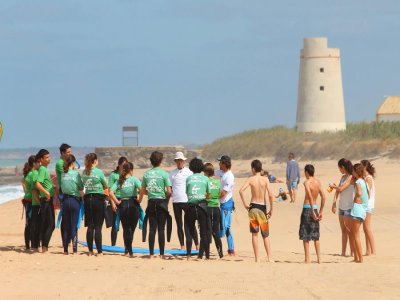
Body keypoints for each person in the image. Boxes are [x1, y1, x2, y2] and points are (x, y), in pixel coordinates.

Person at [239, 160, 274, 262]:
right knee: (265, 234)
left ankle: (257, 258)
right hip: (262, 208)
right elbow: (271, 195)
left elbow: (241, 191)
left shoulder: (251, 179)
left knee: (254, 234)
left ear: (253, 169)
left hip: (253, 207)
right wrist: (271, 209)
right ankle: (270, 257)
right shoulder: (265, 179)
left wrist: (245, 204)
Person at [139, 151, 172, 259]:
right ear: (160, 161)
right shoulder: (164, 174)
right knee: (161, 229)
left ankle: (152, 254)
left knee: (152, 229)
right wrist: (164, 194)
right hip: (162, 202)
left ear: (151, 161)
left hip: (151, 202)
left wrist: (152, 192)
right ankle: (162, 254)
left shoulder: (146, 174)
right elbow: (168, 191)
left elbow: (142, 191)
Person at [109, 162, 141, 257]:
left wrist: (117, 202)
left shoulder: (120, 180)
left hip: (123, 205)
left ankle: (127, 250)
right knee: (132, 229)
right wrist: (140, 199)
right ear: (131, 170)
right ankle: (129, 250)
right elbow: (142, 190)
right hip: (133, 204)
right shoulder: (134, 179)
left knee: (126, 229)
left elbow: (110, 192)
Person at [169, 152, 199, 250]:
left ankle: (197, 244)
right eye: (178, 161)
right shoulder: (172, 173)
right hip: (176, 202)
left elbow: (193, 184)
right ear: (175, 161)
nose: (179, 162)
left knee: (191, 223)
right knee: (179, 225)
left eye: (181, 160)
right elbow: (169, 188)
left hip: (187, 201)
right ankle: (182, 245)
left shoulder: (189, 172)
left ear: (184, 161)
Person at [82, 153, 108, 256]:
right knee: (98, 227)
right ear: (95, 161)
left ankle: (90, 251)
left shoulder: (84, 172)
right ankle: (100, 251)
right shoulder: (99, 172)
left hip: (88, 199)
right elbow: (105, 185)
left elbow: (83, 185)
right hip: (98, 199)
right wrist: (106, 198)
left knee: (90, 226)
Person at [184, 158, 210, 260]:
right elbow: (208, 194)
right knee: (204, 232)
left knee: (189, 230)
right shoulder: (205, 179)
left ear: (191, 168)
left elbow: (187, 192)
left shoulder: (188, 178)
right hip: (202, 206)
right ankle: (206, 256)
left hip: (190, 206)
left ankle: (189, 255)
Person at [299, 164, 325, 263]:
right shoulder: (318, 182)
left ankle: (307, 258)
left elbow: (309, 196)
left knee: (305, 235)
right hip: (315, 208)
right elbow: (324, 197)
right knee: (315, 235)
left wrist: (312, 213)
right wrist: (320, 211)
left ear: (306, 172)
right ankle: (319, 259)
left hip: (307, 209)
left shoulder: (306, 182)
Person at [60, 155, 84, 255]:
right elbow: (81, 187)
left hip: (65, 201)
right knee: (74, 226)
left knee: (65, 226)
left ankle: (65, 250)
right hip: (74, 201)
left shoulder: (62, 174)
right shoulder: (76, 174)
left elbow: (61, 187)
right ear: (73, 163)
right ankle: (74, 250)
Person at [331, 158, 354, 257]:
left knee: (350, 231)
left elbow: (341, 188)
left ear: (343, 167)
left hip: (349, 206)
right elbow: (338, 191)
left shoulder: (351, 177)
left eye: (339, 168)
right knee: (343, 231)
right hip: (341, 207)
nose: (339, 170)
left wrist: (334, 186)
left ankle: (352, 252)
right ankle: (343, 252)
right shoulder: (343, 177)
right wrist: (334, 202)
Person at [35, 149, 56, 253]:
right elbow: (37, 184)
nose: (49, 159)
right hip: (46, 200)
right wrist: (47, 193)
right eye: (47, 157)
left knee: (47, 224)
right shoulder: (42, 169)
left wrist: (52, 187)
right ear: (41, 159)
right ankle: (44, 247)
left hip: (47, 200)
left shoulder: (44, 169)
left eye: (49, 156)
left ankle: (44, 247)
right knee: (51, 224)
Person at [215, 155, 236, 256]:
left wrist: (213, 198)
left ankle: (213, 238)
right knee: (227, 228)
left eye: (220, 162)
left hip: (227, 204)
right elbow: (210, 172)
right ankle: (231, 250)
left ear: (224, 164)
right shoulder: (221, 172)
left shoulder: (229, 176)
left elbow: (224, 193)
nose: (218, 164)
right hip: (223, 203)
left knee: (224, 228)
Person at [349, 163, 369, 263]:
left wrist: (355, 199)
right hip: (363, 210)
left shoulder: (358, 182)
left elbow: (359, 193)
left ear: (356, 172)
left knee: (355, 235)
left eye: (353, 171)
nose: (352, 172)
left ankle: (360, 258)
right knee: (354, 234)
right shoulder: (364, 181)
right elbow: (367, 195)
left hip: (357, 209)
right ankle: (356, 257)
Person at [203, 163, 223, 258]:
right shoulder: (217, 182)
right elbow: (220, 193)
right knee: (216, 232)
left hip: (208, 207)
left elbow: (205, 194)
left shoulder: (205, 181)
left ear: (206, 172)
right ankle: (220, 253)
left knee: (207, 231)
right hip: (216, 208)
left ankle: (207, 255)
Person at [108, 156, 128, 246]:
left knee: (126, 225)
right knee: (115, 224)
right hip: (115, 200)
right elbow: (110, 191)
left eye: (125, 165)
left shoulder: (127, 175)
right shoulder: (113, 175)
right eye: (122, 165)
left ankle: (127, 245)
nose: (124, 167)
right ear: (119, 165)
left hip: (125, 200)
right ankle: (113, 244)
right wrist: (112, 203)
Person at [361, 160, 376, 256]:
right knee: (365, 228)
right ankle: (368, 250)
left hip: (368, 206)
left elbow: (367, 192)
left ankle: (373, 250)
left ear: (365, 168)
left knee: (367, 228)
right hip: (365, 205)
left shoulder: (368, 178)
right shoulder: (365, 178)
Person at [21, 155, 36, 250]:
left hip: (27, 200)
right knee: (32, 223)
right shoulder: (33, 174)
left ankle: (27, 245)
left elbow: (24, 188)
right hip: (31, 201)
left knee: (28, 223)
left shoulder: (27, 175)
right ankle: (33, 244)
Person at [30, 157, 41, 252]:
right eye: (38, 162)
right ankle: (34, 245)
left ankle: (36, 244)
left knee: (37, 224)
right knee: (35, 224)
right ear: (34, 163)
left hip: (36, 202)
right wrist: (39, 202)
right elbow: (33, 190)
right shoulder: (34, 173)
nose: (40, 164)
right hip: (35, 203)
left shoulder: (37, 172)